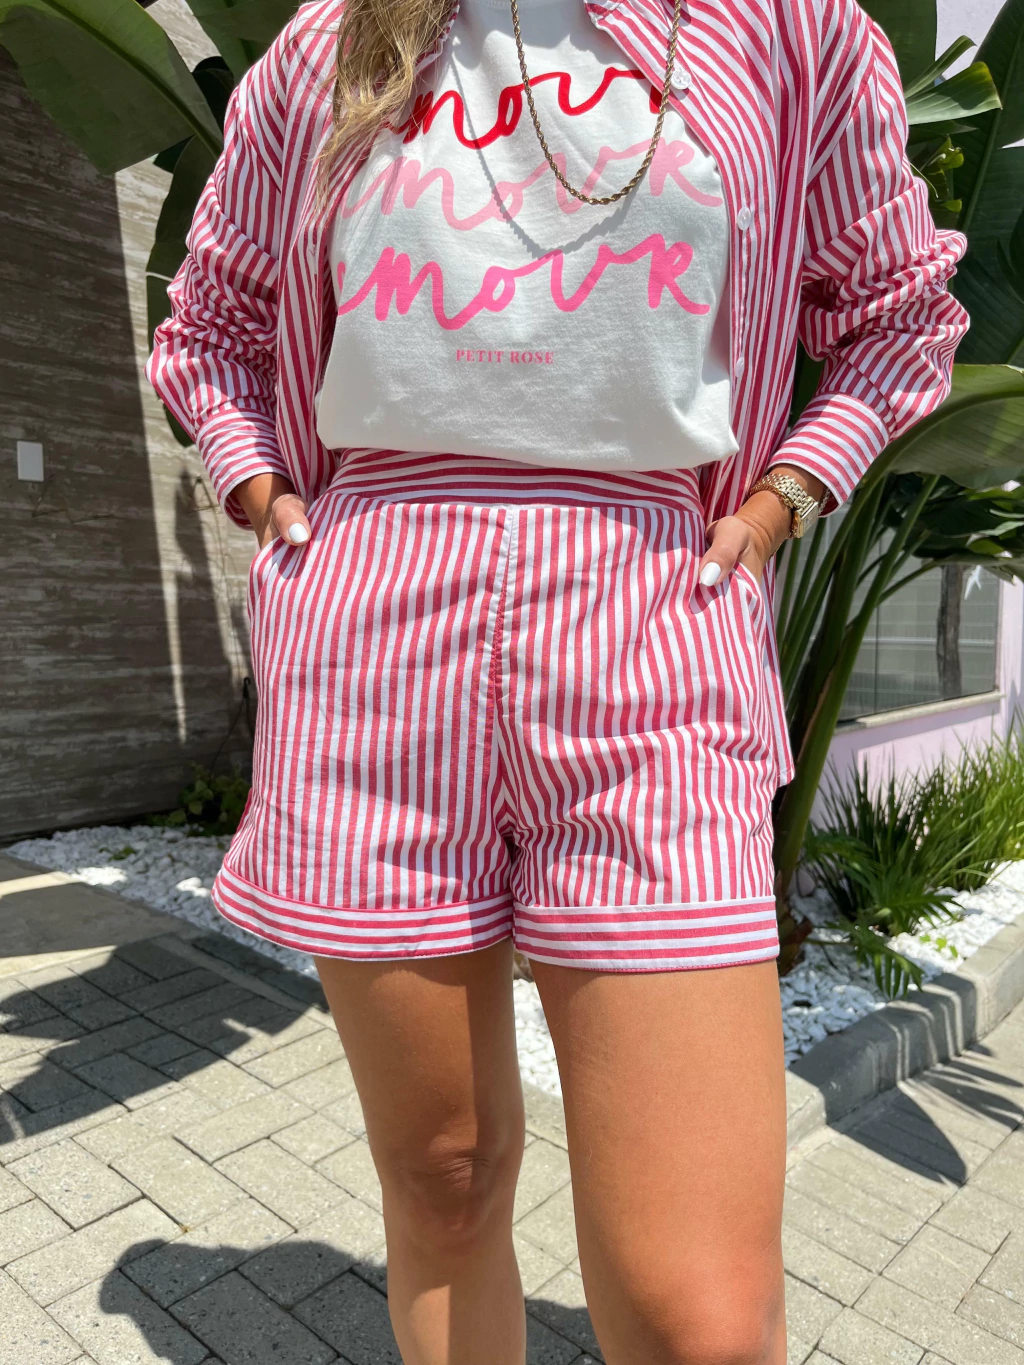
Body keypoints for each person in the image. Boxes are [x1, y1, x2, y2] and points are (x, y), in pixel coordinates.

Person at [148, 1, 968, 1359]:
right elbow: (214, 319)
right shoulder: (331, 47)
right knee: (446, 1178)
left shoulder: (788, 29)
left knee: (702, 1318)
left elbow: (898, 315)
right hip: (374, 635)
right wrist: (256, 485)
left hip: (654, 617)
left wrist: (784, 498)